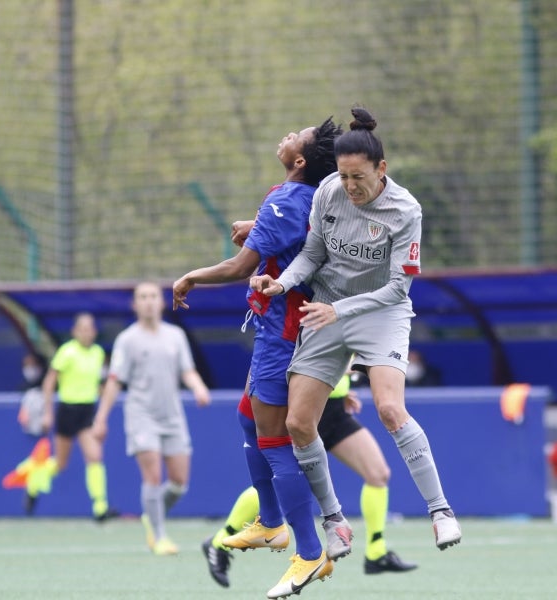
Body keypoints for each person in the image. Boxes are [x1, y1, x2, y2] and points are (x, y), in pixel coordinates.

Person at [249, 106, 462, 557]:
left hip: (379, 313)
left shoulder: (406, 210)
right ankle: (335, 522)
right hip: (327, 309)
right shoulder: (328, 191)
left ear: (381, 169)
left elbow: (396, 288)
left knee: (388, 408)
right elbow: (311, 254)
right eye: (344, 176)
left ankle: (440, 511)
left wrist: (339, 309)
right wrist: (280, 282)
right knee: (298, 423)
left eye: (358, 177)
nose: (350, 186)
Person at [172, 116, 344, 599]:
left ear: (300, 160)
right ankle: (270, 522)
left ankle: (309, 552)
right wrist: (257, 226)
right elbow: (294, 238)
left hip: (284, 332)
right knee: (249, 417)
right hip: (281, 327)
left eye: (297, 135)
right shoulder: (304, 197)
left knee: (274, 438)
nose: (288, 133)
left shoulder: (288, 199)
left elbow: (240, 267)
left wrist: (191, 277)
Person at [202, 371, 417, 588]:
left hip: (334, 410)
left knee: (378, 473)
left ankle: (376, 552)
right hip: (307, 408)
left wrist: (340, 387)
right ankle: (219, 541)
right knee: (279, 485)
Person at [94, 281, 211, 555]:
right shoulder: (127, 340)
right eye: (142, 297)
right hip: (141, 415)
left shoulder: (175, 336)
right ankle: (158, 537)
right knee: (153, 476)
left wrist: (198, 387)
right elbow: (114, 381)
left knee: (179, 483)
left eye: (152, 296)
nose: (148, 301)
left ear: (161, 302)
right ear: (134, 305)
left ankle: (151, 514)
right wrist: (101, 419)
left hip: (172, 416)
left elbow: (187, 370)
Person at [26, 313, 116, 521]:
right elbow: (49, 382)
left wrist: (103, 407)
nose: (86, 332)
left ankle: (100, 506)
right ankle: (34, 482)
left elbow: (99, 384)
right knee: (60, 463)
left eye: (90, 328)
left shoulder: (97, 353)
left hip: (87, 410)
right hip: (67, 410)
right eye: (82, 328)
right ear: (75, 331)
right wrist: (48, 412)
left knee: (94, 456)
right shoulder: (66, 352)